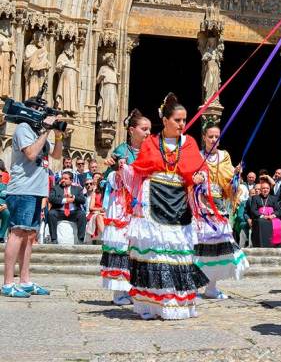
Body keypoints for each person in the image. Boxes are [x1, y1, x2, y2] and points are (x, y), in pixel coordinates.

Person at [121, 93, 210, 320]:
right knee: (155, 253)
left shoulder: (189, 143)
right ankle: (152, 304)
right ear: (166, 120)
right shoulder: (151, 142)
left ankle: (175, 302)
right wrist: (124, 169)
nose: (182, 124)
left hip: (179, 201)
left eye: (184, 120)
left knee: (177, 253)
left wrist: (198, 177)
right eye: (178, 120)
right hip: (155, 199)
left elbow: (195, 169)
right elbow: (140, 169)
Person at [3, 97, 64, 298]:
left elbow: (55, 156)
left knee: (30, 236)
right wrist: (45, 131)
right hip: (22, 189)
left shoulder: (38, 132)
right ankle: (8, 283)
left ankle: (25, 280)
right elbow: (30, 154)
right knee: (18, 232)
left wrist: (58, 135)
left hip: (37, 190)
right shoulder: (22, 128)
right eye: (39, 110)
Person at [99, 109, 151, 305]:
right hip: (122, 204)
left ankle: (134, 286)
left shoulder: (151, 152)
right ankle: (119, 291)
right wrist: (115, 171)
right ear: (131, 130)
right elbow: (106, 179)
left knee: (137, 246)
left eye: (149, 130)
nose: (147, 133)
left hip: (141, 205)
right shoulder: (121, 151)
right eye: (144, 129)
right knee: (121, 245)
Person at [195, 123, 249, 299]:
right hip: (201, 207)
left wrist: (235, 175)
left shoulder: (224, 156)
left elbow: (228, 181)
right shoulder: (198, 156)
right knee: (199, 248)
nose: (213, 140)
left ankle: (211, 287)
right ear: (204, 137)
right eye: (210, 136)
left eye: (216, 136)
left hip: (218, 207)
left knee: (216, 250)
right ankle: (192, 287)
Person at [246, 182, 280, 247]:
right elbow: (253, 210)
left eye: (267, 188)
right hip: (259, 218)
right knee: (260, 222)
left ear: (269, 189)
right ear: (261, 189)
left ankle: (274, 244)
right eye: (263, 188)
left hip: (271, 217)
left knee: (278, 222)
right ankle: (262, 244)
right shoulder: (255, 198)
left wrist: (273, 215)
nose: (265, 190)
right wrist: (263, 216)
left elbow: (278, 210)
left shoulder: (273, 198)